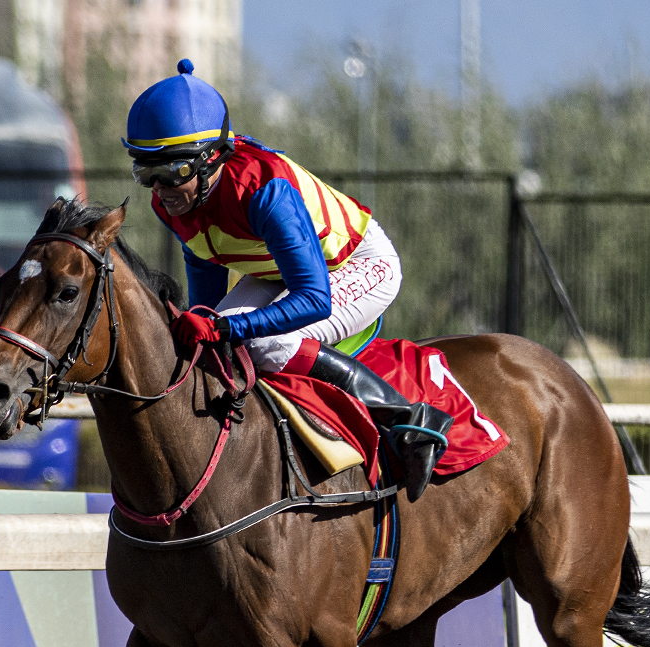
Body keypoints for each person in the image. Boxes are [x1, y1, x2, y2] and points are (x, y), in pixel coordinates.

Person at [124, 59, 454, 501]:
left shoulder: (265, 192)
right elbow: (206, 294)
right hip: (280, 269)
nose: (160, 188)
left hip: (356, 264)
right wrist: (208, 325)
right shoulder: (172, 203)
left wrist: (226, 326)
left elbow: (314, 299)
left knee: (263, 343)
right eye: (146, 173)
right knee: (215, 348)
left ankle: (409, 420)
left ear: (210, 159)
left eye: (172, 172)